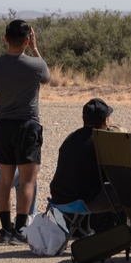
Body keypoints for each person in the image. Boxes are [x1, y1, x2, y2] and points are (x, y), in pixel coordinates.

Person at [0, 19, 50, 244]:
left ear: (5, 38)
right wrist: (35, 49)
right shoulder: (36, 65)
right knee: (28, 180)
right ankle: (20, 230)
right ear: (27, 39)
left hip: (3, 125)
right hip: (28, 126)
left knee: (4, 180)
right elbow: (48, 78)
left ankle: (5, 229)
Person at [49, 98, 118, 232]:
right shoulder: (100, 142)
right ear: (105, 121)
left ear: (83, 118)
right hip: (81, 202)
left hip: (59, 199)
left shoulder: (70, 138)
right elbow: (114, 175)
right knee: (128, 194)